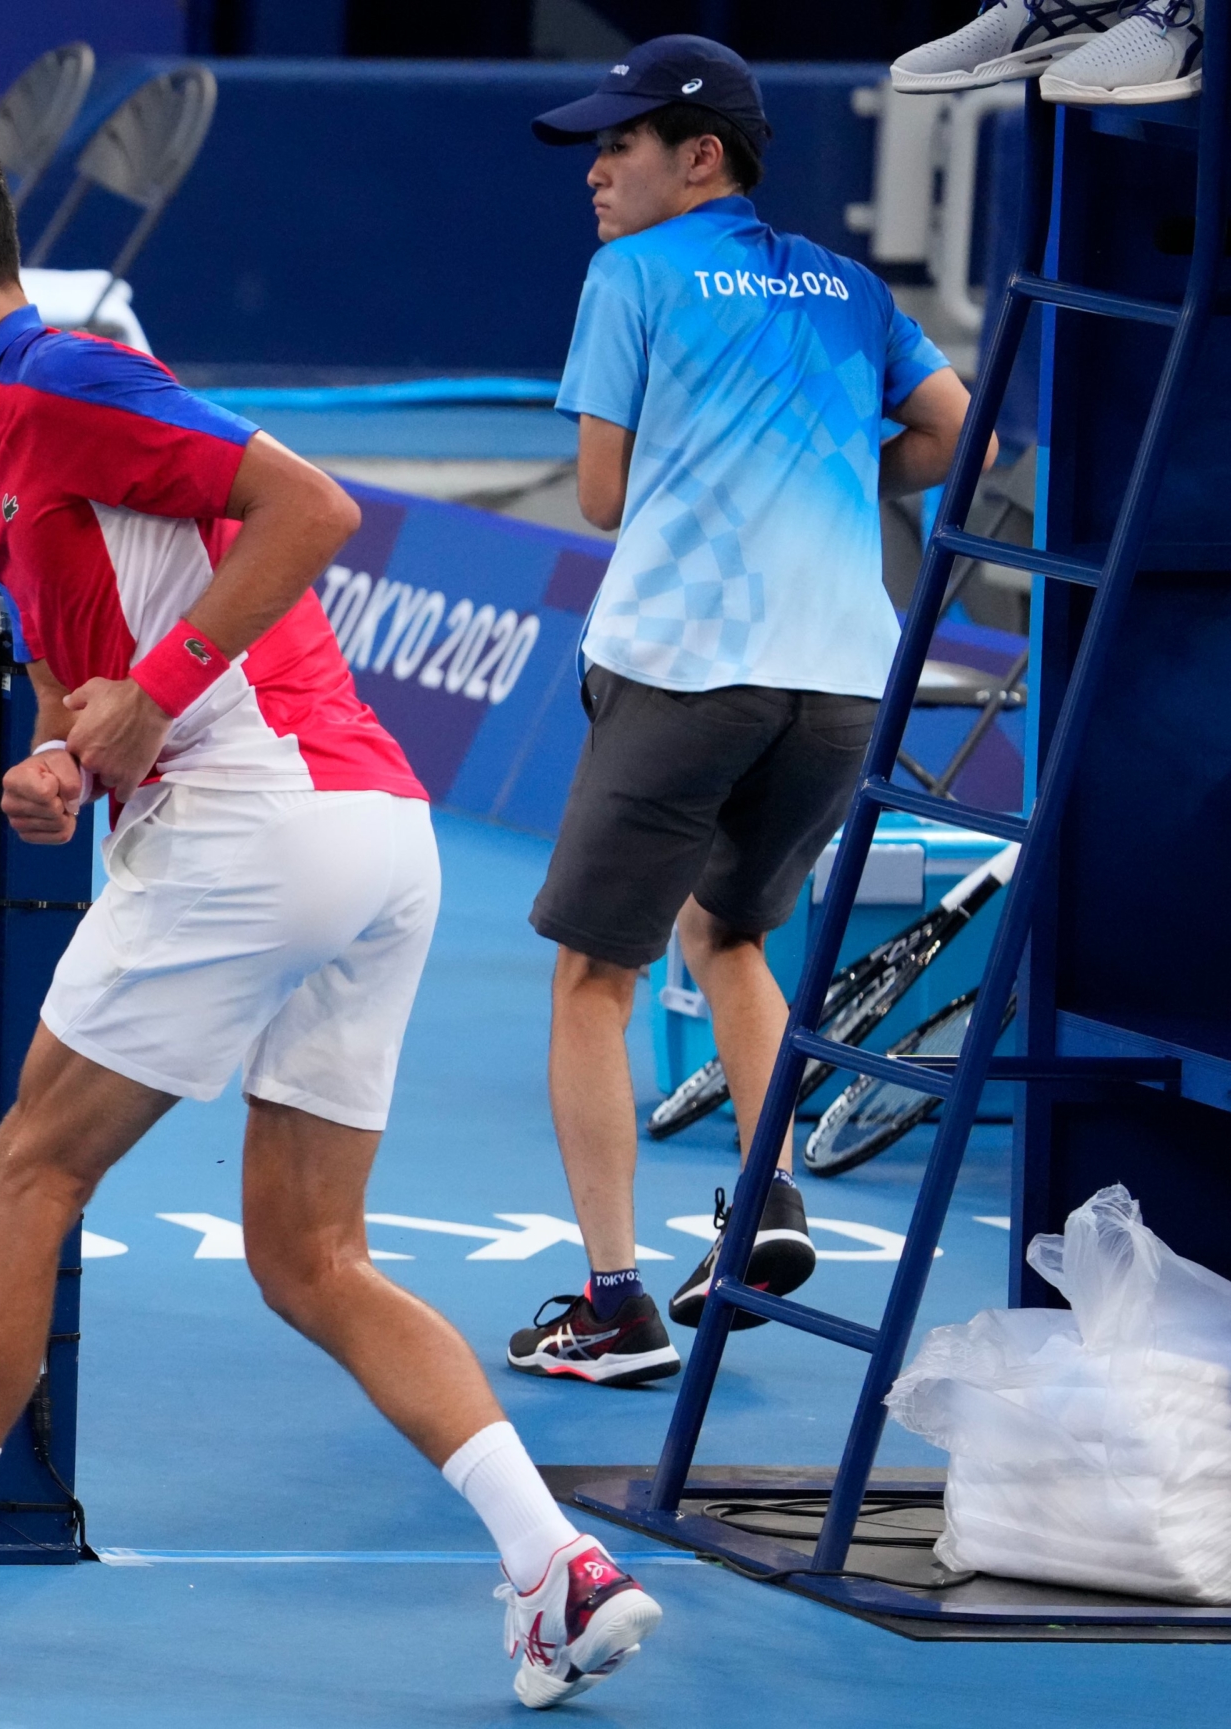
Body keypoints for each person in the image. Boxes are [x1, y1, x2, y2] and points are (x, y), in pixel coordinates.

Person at [0, 128, 665, 1711]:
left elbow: (312, 507)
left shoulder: (66, 381)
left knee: (31, 1171)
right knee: (310, 1251)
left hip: (255, 828)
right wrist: (71, 756)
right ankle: (562, 1568)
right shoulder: (1, 450)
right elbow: (109, 676)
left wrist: (156, 696)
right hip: (369, 842)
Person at [505, 38, 986, 1387]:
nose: (596, 171)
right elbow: (967, 438)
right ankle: (768, 1203)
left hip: (685, 669)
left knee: (594, 979)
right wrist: (833, 468)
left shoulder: (631, 276)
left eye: (620, 145)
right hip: (839, 679)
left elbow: (600, 497)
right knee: (728, 931)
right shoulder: (845, 286)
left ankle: (610, 1303)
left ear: (699, 154)